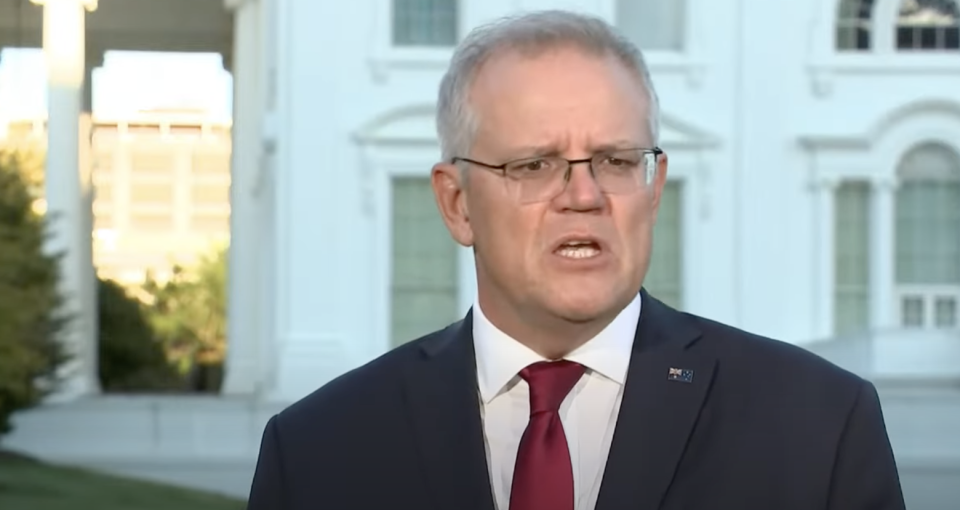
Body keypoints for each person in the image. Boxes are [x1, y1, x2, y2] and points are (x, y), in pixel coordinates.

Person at [245, 9, 905, 510]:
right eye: (535, 165)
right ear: (457, 204)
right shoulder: (317, 451)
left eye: (617, 161)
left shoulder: (817, 427)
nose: (584, 195)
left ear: (654, 186)